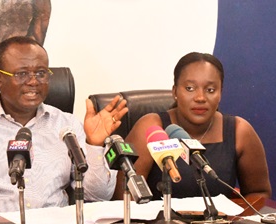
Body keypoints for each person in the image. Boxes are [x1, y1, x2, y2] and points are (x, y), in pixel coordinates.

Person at [0, 36, 128, 219]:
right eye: (22, 73)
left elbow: (98, 196)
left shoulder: (66, 124)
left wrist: (94, 145)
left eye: (41, 73)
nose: (33, 82)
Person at [112, 52, 271, 201]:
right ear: (175, 91)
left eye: (210, 90)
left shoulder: (239, 131)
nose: (200, 98)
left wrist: (234, 223)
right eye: (189, 88)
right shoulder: (151, 128)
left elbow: (259, 193)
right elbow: (124, 199)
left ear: (220, 93)